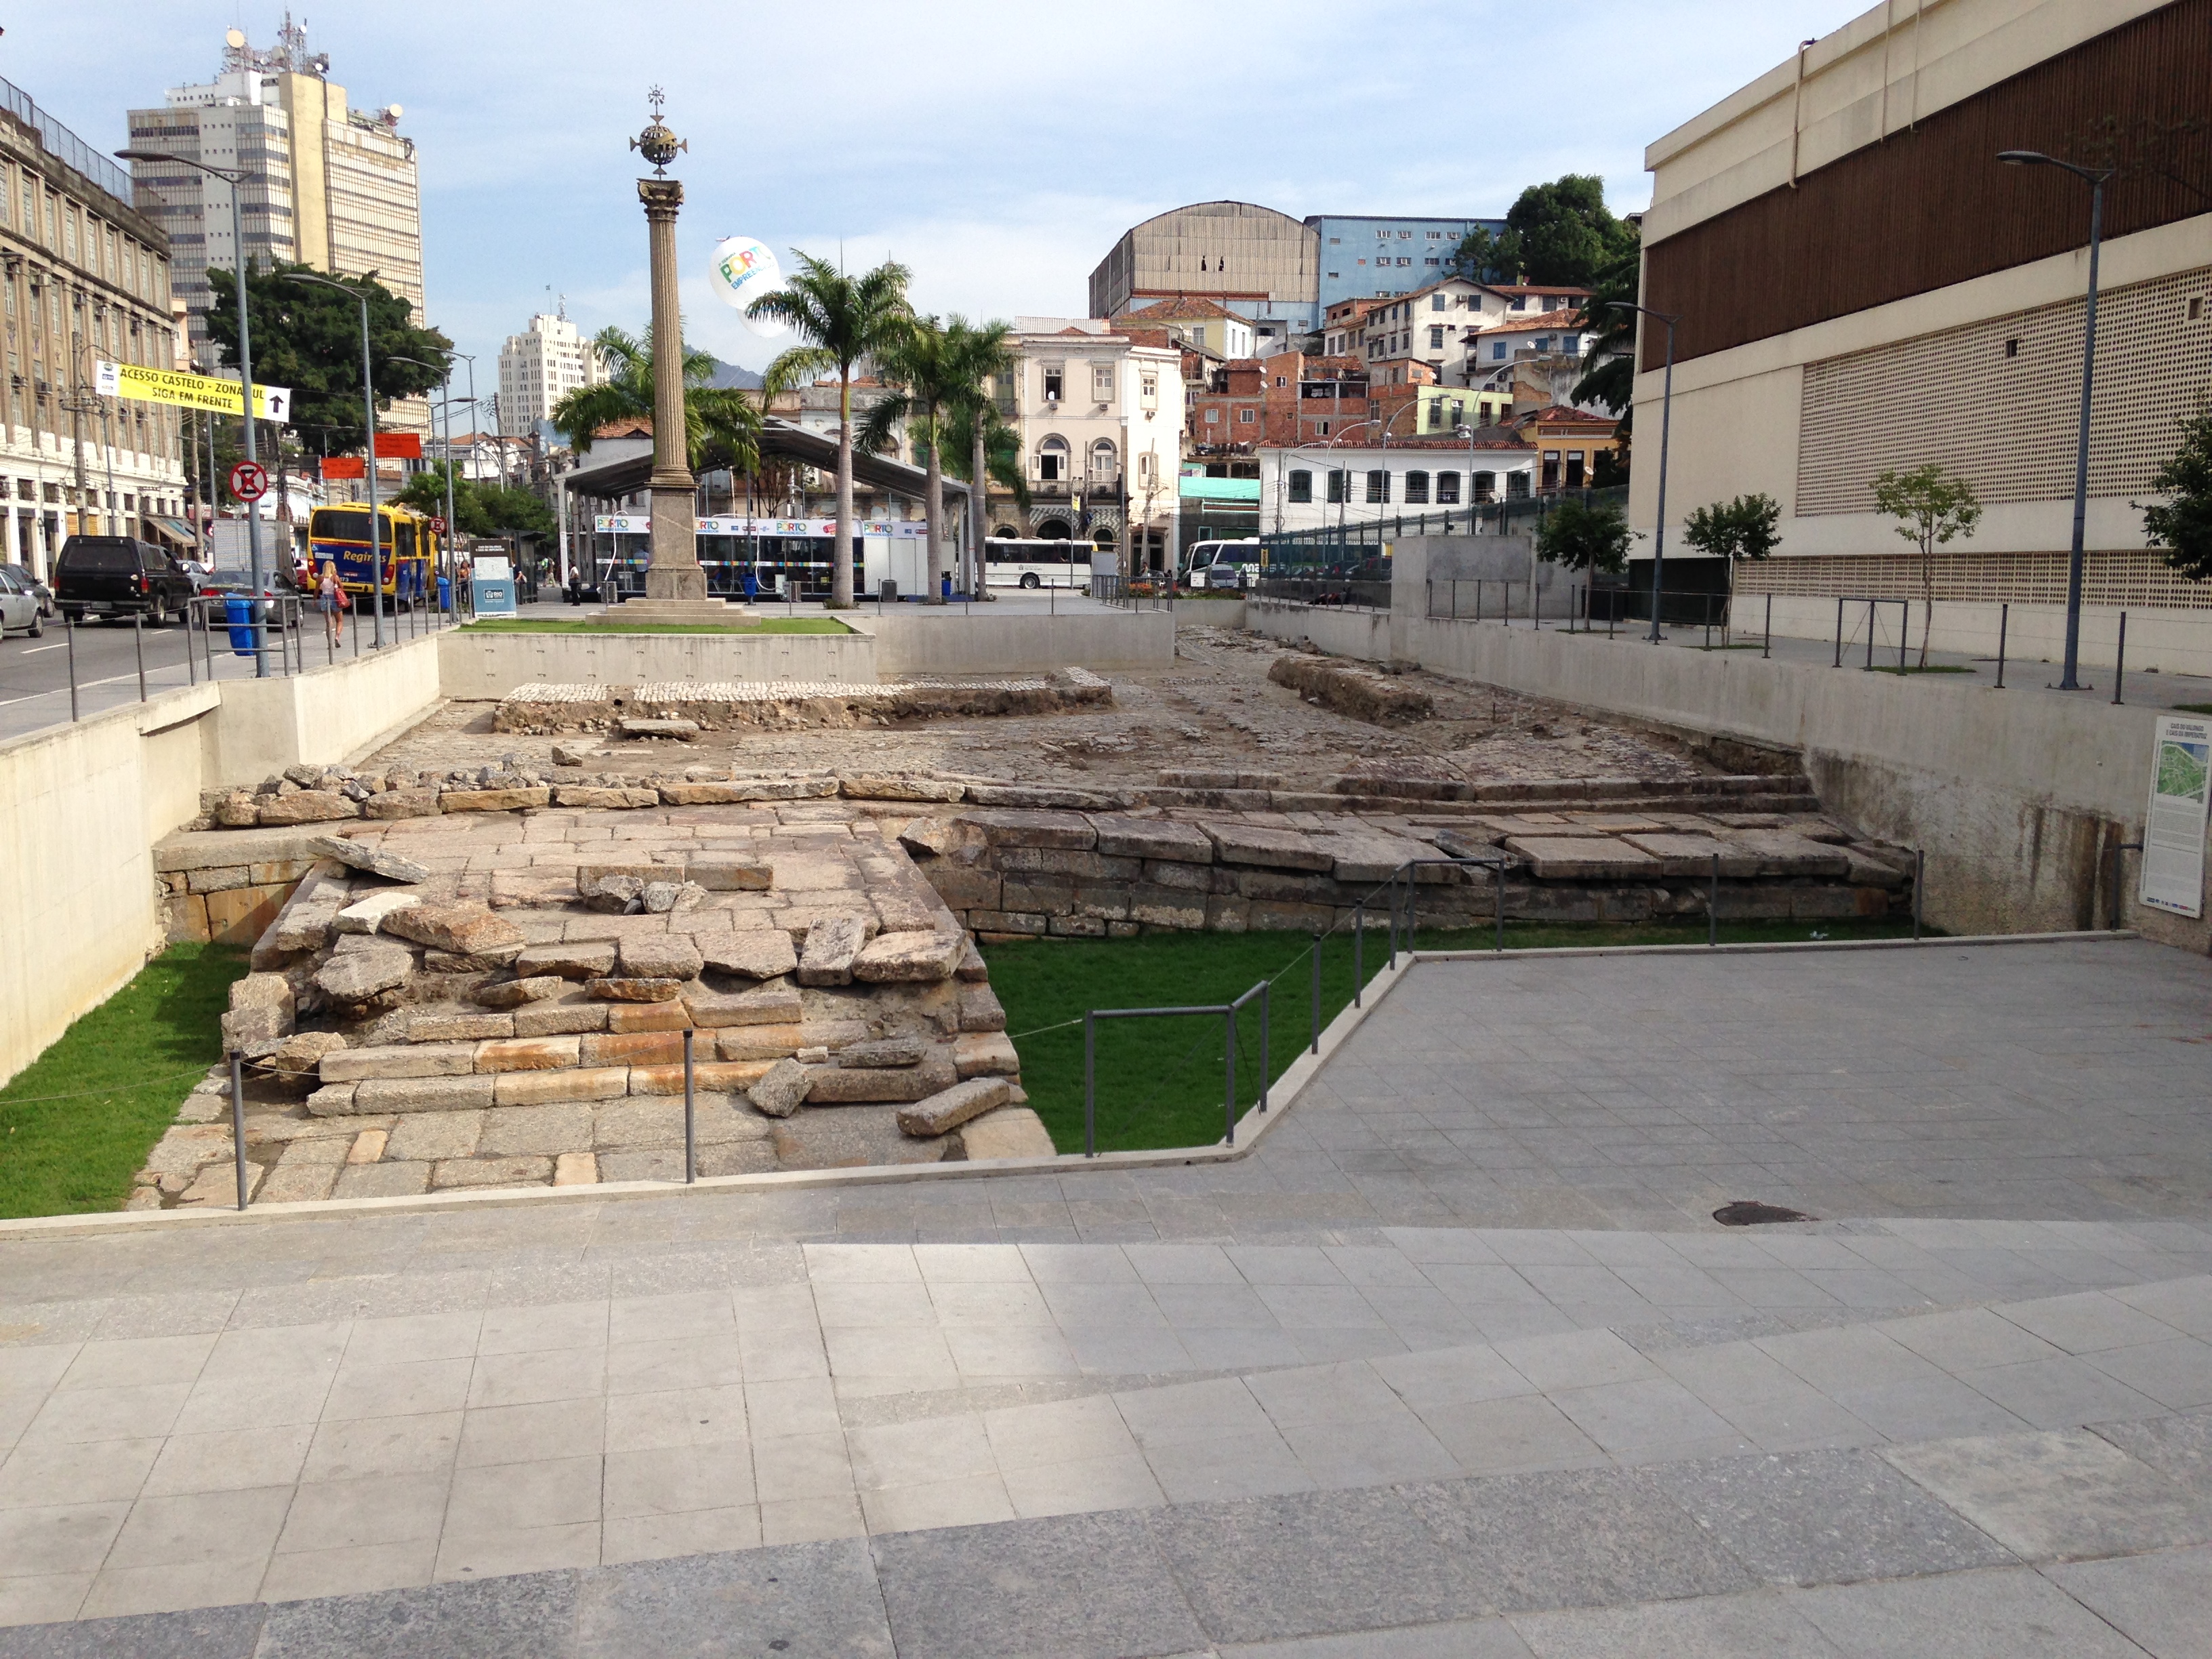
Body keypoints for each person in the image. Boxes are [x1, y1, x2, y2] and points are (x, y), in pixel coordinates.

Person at [317, 559, 346, 649]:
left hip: (324, 598)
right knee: (339, 620)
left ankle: (329, 644)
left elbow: (316, 590)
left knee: (329, 623)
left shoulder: (320, 577)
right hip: (334, 598)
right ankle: (337, 637)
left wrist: (314, 600)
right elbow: (341, 587)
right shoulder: (335, 577)